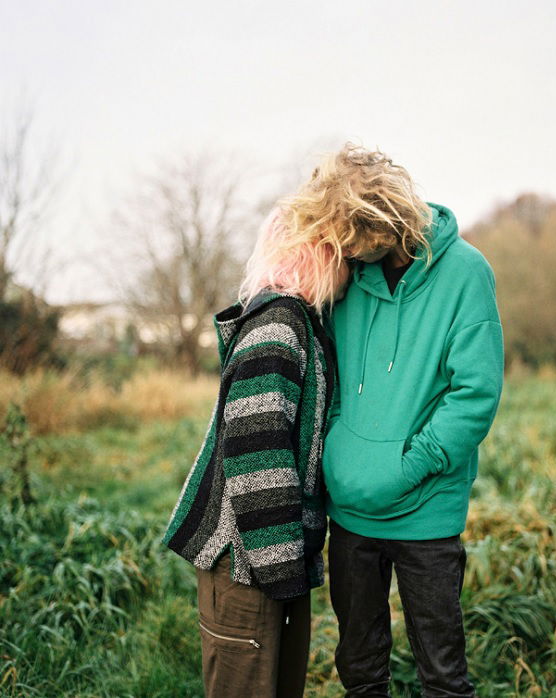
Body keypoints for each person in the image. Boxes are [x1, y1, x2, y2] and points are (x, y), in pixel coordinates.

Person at [319, 142, 505, 697]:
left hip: (426, 512)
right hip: (350, 512)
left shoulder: (467, 274)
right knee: (359, 669)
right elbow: (328, 373)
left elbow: (475, 395)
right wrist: (338, 453)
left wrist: (408, 466)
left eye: (348, 234)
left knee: (443, 678)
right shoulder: (347, 277)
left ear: (380, 222)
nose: (339, 247)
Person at [161, 204, 349, 698]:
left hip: (273, 561)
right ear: (313, 252)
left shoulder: (299, 323)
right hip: (251, 564)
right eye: (340, 251)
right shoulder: (278, 324)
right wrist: (284, 571)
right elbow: (256, 451)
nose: (349, 266)